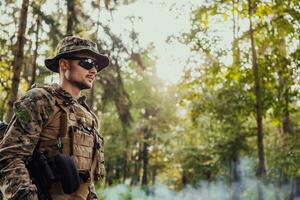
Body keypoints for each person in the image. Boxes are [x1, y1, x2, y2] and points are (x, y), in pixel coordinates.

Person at [0, 36, 109, 200]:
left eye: (96, 65)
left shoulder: (89, 117)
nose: (93, 70)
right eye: (87, 62)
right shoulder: (40, 100)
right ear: (64, 64)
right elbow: (9, 158)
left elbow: (86, 180)